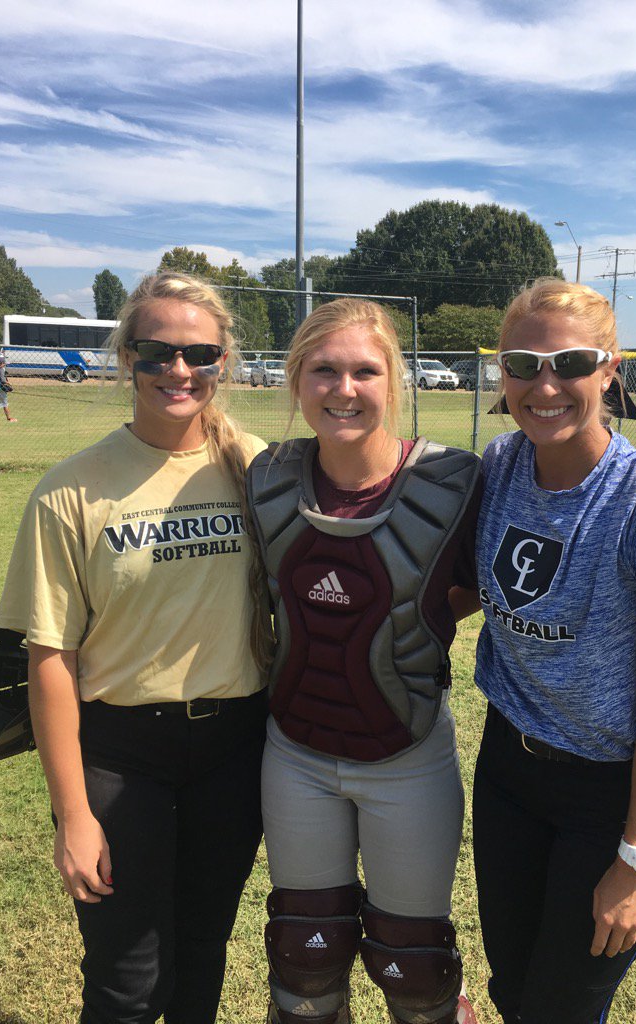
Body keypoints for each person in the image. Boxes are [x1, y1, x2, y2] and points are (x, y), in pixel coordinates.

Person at [0, 271, 270, 1024]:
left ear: (224, 361)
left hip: (234, 748)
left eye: (199, 353)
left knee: (204, 946)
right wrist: (73, 814)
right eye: (155, 352)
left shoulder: (259, 467)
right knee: (127, 973)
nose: (178, 371)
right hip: (120, 754)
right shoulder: (70, 490)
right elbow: (51, 659)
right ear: (126, 359)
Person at [451, 279, 636, 1024]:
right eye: (521, 363)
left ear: (609, 368)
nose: (545, 384)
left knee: (560, 1009)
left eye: (569, 361)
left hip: (609, 791)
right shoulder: (500, 465)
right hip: (507, 770)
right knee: (513, 992)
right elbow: (464, 590)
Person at [246, 298, 481, 1024]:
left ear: (394, 381)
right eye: (323, 370)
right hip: (297, 757)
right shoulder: (264, 478)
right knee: (303, 964)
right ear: (296, 381)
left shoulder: (457, 483)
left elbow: (500, 587)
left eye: (364, 370)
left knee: (413, 969)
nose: (343, 388)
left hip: (406, 757)